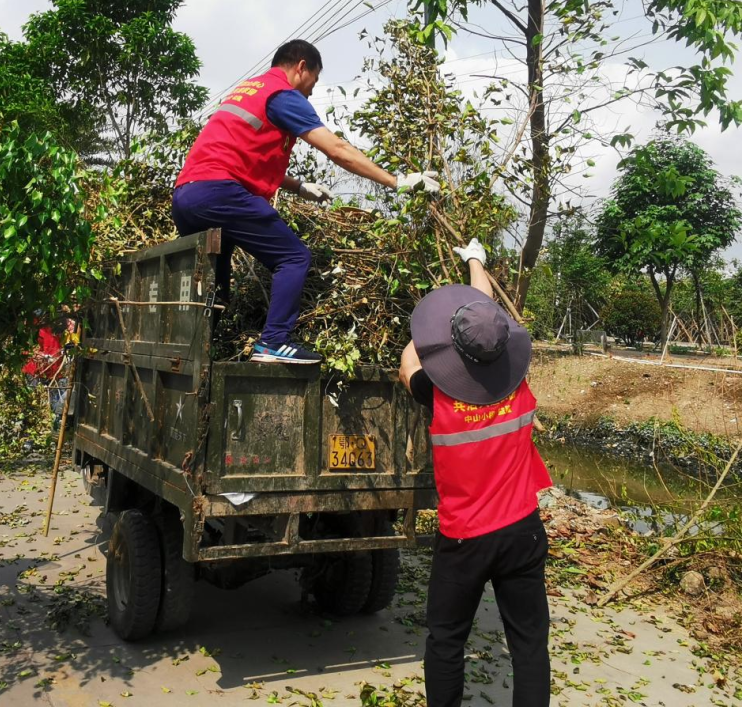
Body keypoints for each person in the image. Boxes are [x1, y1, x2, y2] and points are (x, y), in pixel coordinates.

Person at [173, 39, 440, 364]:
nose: (311, 92)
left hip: (188, 196)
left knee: (216, 287)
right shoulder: (282, 95)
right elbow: (338, 150)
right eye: (313, 81)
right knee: (293, 257)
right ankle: (273, 342)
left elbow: (242, 156)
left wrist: (299, 187)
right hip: (220, 193)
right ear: (301, 66)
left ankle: (188, 352)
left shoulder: (249, 90)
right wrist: (398, 182)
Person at [399, 238, 553, 707]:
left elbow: (408, 361)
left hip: (465, 540)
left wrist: (431, 321)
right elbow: (487, 319)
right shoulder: (519, 386)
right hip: (522, 534)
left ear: (451, 349)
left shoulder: (438, 396)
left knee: (446, 641)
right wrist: (475, 262)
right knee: (529, 645)